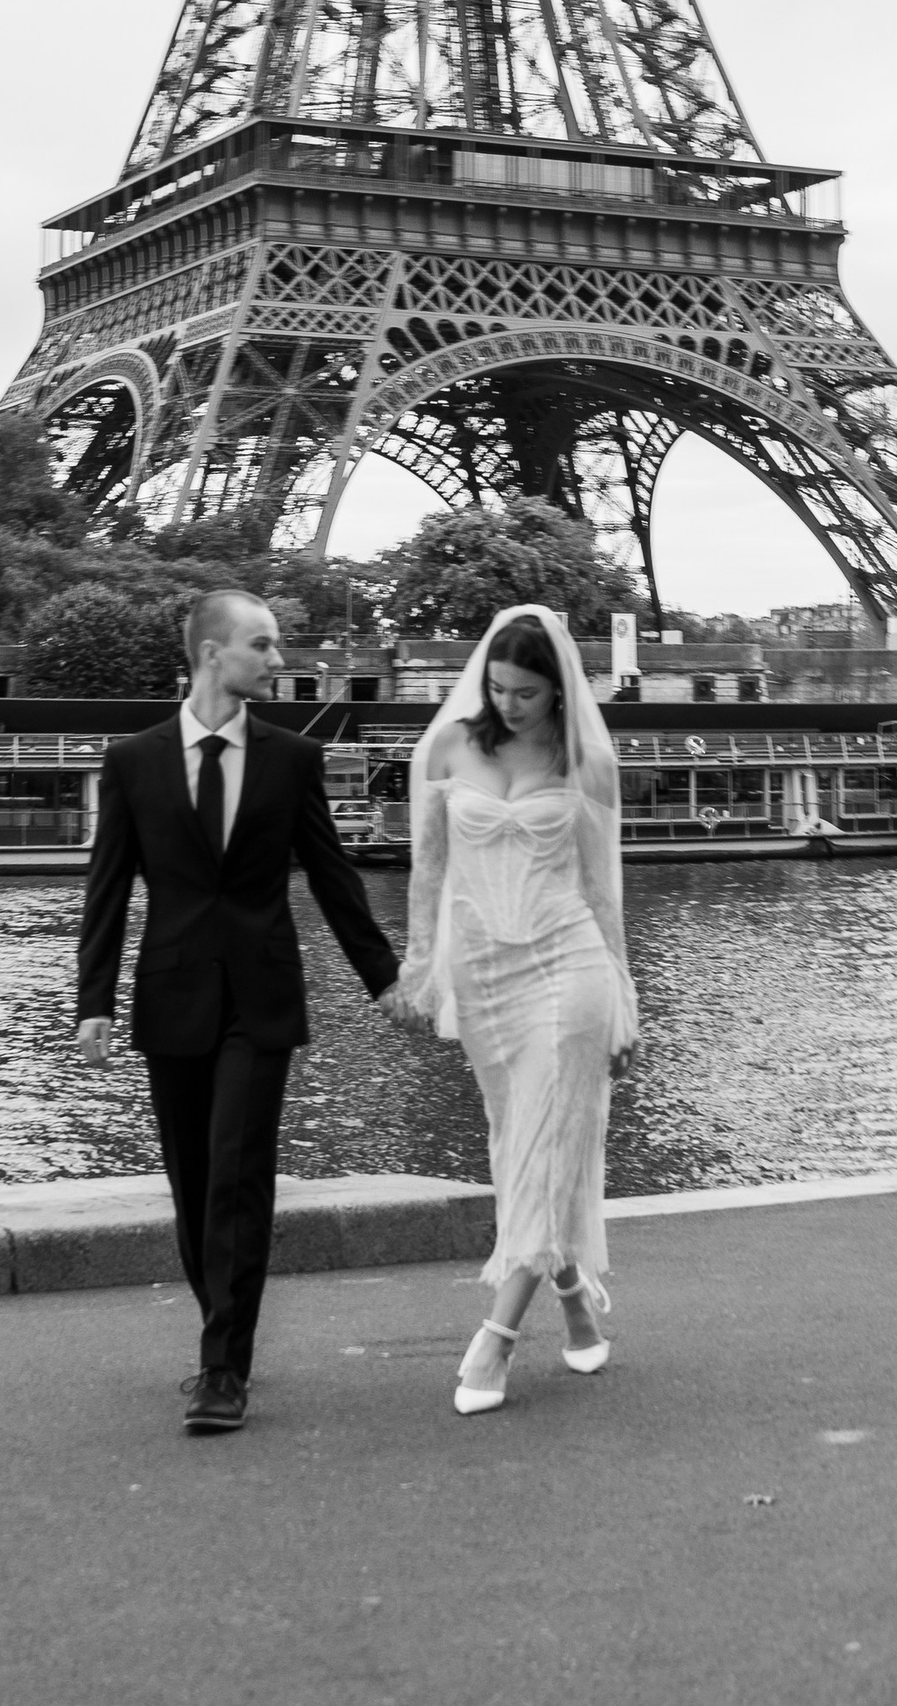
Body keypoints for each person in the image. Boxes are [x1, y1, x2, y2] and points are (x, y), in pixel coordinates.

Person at [74, 585, 402, 1438]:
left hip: (261, 998)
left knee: (238, 1174)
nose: (278, 658)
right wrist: (93, 1001)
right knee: (192, 1184)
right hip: (171, 995)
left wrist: (385, 979)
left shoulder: (292, 759)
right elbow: (107, 887)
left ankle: (224, 1364)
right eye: (264, 644)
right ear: (213, 652)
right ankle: (220, 1319)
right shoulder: (133, 761)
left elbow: (333, 875)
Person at [387, 602, 638, 1415]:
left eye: (525, 692)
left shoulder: (585, 764)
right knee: (518, 1147)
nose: (507, 704)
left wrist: (626, 993)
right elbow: (427, 871)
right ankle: (569, 1291)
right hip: (486, 974)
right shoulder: (450, 745)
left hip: (570, 967)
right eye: (496, 688)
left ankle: (492, 1343)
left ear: (558, 690)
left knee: (544, 1141)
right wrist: (420, 963)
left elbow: (602, 891)